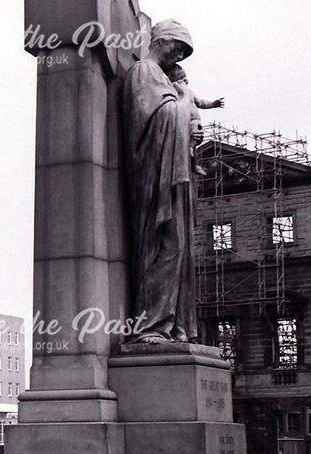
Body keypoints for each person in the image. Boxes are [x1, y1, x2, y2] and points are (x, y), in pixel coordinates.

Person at [124, 19, 200, 344]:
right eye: (177, 47)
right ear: (161, 41)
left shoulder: (162, 77)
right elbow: (162, 117)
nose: (179, 57)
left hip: (176, 174)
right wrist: (184, 100)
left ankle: (175, 325)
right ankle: (151, 326)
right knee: (165, 248)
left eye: (184, 51)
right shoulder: (144, 72)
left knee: (180, 250)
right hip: (158, 179)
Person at [166, 63, 224, 176]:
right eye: (180, 78)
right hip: (186, 123)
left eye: (184, 76)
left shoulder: (190, 93)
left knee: (194, 142)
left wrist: (212, 104)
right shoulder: (175, 92)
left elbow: (201, 102)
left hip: (196, 122)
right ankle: (193, 162)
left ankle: (193, 159)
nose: (185, 80)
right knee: (191, 144)